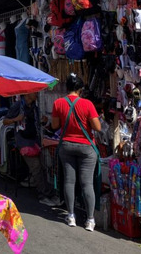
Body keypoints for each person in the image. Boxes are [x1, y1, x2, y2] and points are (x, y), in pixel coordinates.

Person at [51, 73, 101, 232]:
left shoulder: (58, 103)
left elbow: (54, 126)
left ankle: (71, 215)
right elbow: (97, 127)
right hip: (86, 147)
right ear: (80, 89)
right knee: (87, 183)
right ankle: (90, 220)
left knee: (69, 181)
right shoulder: (87, 104)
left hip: (66, 146)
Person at [3, 94, 56, 202]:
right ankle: (43, 195)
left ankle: (48, 191)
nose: (37, 94)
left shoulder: (34, 107)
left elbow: (36, 123)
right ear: (28, 93)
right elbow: (5, 121)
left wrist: (44, 121)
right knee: (36, 167)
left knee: (42, 166)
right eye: (35, 92)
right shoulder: (18, 105)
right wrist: (16, 119)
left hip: (34, 141)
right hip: (24, 142)